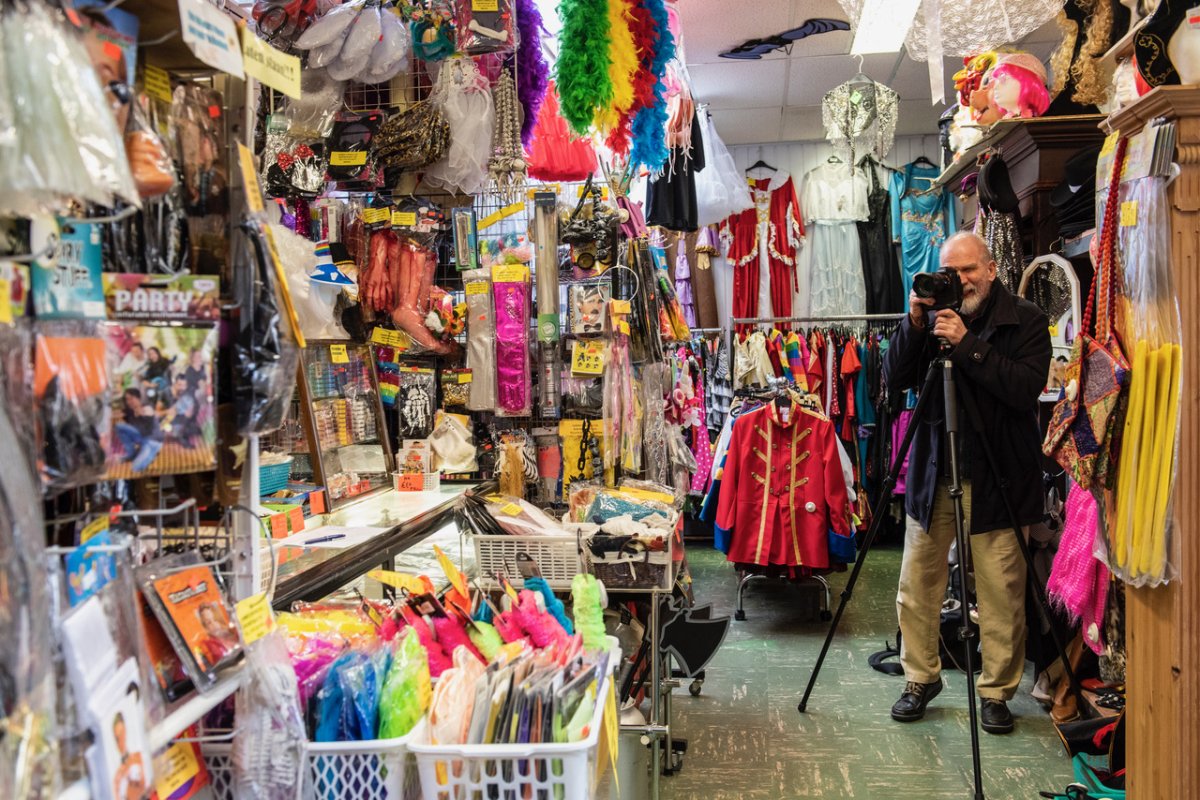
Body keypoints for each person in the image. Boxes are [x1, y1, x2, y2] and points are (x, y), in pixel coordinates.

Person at [882, 231, 1051, 735]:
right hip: (935, 471)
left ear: (992, 269)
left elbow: (1024, 390)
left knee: (1001, 592)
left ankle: (996, 691)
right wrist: (915, 323)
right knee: (917, 585)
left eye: (968, 269)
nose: (960, 280)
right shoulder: (933, 318)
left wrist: (967, 345)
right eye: (950, 271)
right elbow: (894, 379)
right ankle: (920, 678)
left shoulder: (1026, 320)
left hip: (998, 476)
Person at [115, 389, 164, 473]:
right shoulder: (130, 411)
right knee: (119, 426)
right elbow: (117, 414)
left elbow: (150, 414)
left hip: (152, 441)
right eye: (127, 399)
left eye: (131, 398)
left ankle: (150, 453)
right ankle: (131, 454)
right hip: (142, 438)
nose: (129, 402)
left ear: (138, 398)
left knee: (136, 467)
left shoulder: (146, 408)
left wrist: (141, 413)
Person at [110, 711, 147, 800]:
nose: (121, 740)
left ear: (125, 732)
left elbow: (146, 786)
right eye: (117, 738)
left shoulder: (138, 758)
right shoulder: (117, 777)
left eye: (122, 733)